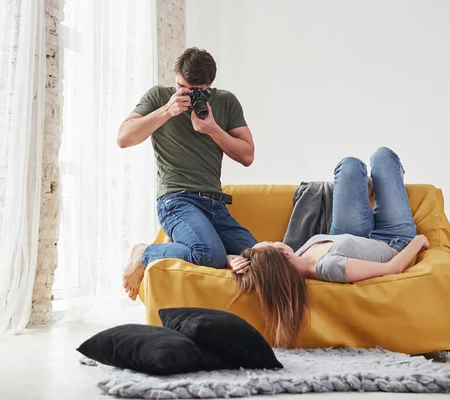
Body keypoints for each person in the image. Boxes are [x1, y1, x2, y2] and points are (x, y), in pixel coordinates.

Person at [227, 147, 428, 347]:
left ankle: (366, 187)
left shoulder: (297, 256)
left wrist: (233, 261)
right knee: (382, 157)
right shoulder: (328, 267)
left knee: (348, 165)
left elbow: (261, 270)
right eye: (271, 243)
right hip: (392, 239)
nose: (274, 240)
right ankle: (390, 181)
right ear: (285, 257)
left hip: (348, 235)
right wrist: (418, 241)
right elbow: (391, 268)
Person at [119, 47, 257, 300]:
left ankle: (218, 253)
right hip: (177, 201)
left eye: (197, 92)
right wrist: (166, 111)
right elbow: (124, 138)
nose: (187, 95)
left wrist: (213, 129)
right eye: (182, 86)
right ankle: (144, 252)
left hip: (216, 205)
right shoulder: (160, 96)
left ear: (209, 85)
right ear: (176, 78)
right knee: (209, 255)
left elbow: (247, 155)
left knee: (258, 259)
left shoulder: (225, 101)